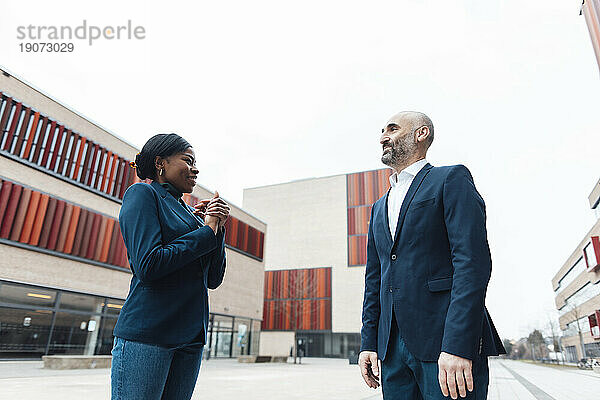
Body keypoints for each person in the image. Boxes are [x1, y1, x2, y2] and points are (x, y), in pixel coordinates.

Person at [358, 112, 505, 400]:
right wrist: (369, 342)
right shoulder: (378, 206)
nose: (382, 137)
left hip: (444, 345)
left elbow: (471, 264)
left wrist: (458, 345)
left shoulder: (450, 178)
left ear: (420, 133)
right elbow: (374, 280)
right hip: (391, 352)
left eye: (392, 129)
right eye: (382, 131)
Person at [111, 133, 230, 400]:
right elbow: (149, 264)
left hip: (190, 337)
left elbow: (212, 278)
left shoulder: (189, 213)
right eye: (188, 160)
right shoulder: (142, 193)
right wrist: (206, 230)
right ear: (160, 162)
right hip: (150, 333)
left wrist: (217, 229)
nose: (196, 168)